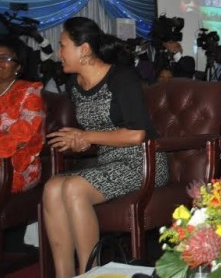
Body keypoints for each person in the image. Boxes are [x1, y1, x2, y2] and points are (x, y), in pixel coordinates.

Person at [42, 17, 168, 278]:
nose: (59, 52)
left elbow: (136, 134)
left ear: (84, 49)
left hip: (143, 161)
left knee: (74, 188)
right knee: (53, 187)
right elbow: (93, 135)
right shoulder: (74, 85)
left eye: (63, 45)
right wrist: (78, 141)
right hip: (107, 161)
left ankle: (93, 274)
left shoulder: (122, 78)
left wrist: (86, 136)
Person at [0, 36, 45, 195]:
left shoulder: (29, 92)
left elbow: (22, 137)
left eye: (4, 58)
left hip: (15, 167)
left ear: (18, 67)